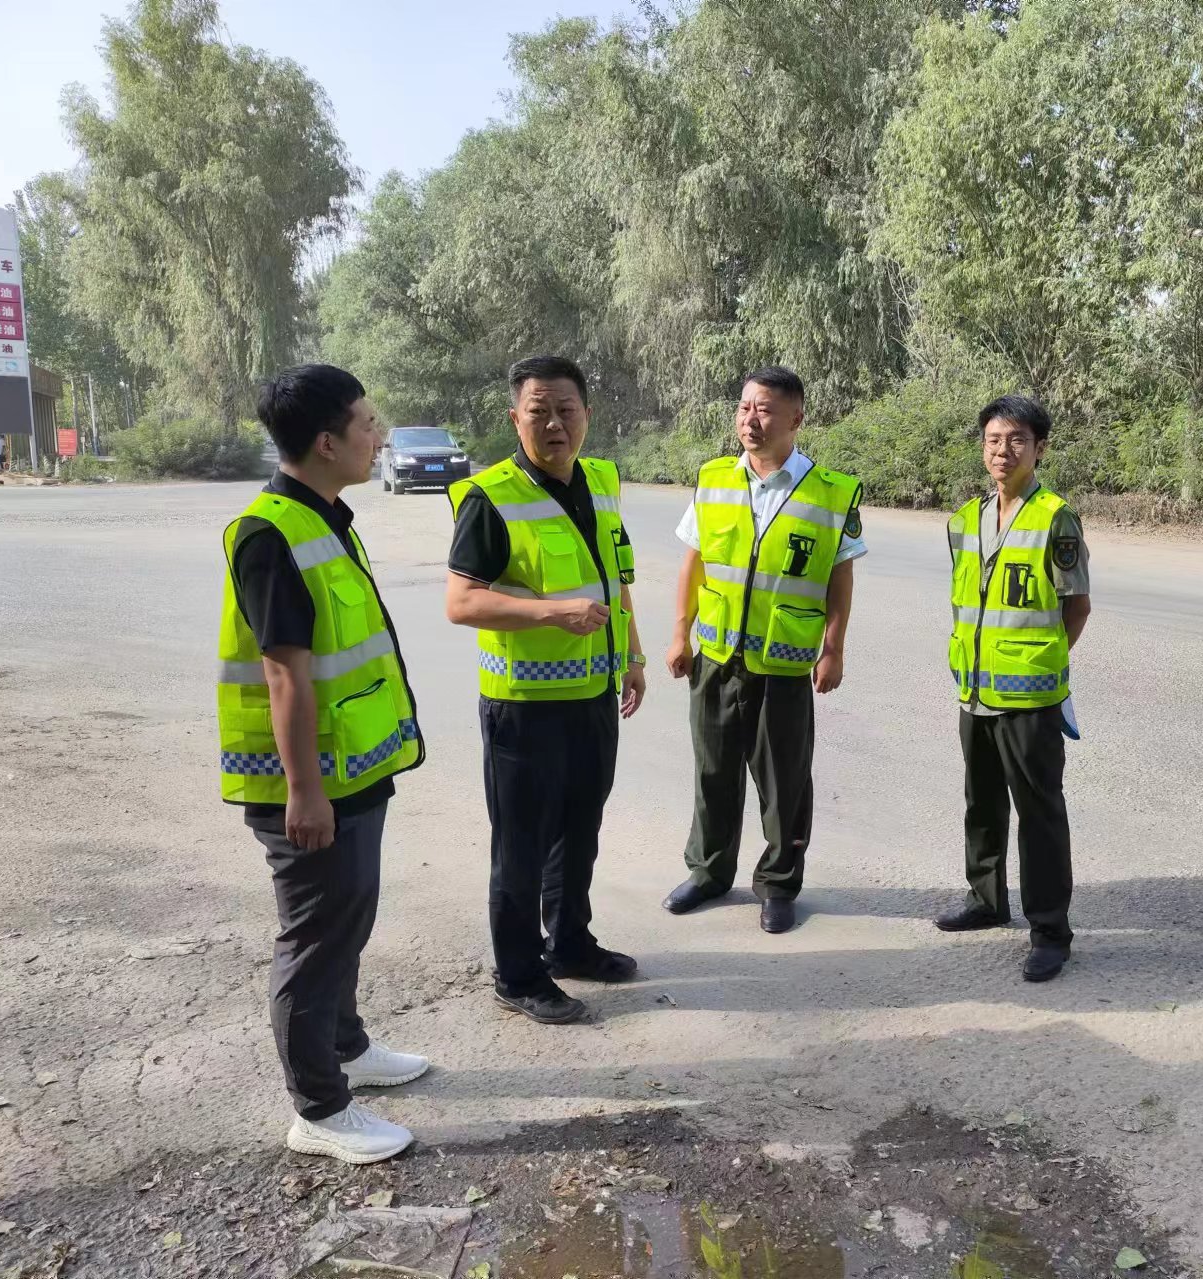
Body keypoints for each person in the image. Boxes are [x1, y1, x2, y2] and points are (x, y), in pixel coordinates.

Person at [219, 364, 429, 1164]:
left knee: (349, 917)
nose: (379, 436)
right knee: (314, 938)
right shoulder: (271, 533)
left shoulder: (329, 515)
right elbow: (284, 673)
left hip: (355, 768)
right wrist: (304, 791)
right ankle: (319, 1107)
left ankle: (347, 1044)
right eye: (368, 423)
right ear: (326, 440)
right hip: (306, 786)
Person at [445, 355, 648, 1026]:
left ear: (587, 415)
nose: (554, 424)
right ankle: (518, 973)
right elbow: (462, 602)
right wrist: (549, 612)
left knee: (579, 829)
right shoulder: (490, 496)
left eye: (566, 410)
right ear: (515, 419)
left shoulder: (601, 481)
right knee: (522, 843)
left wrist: (635, 655)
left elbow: (613, 576)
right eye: (539, 411)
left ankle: (570, 942)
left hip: (592, 696)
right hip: (523, 708)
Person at [661, 366, 864, 934]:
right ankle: (708, 872)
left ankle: (778, 884)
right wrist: (681, 633)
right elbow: (693, 561)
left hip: (784, 662)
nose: (752, 419)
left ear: (796, 419)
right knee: (712, 770)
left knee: (784, 780)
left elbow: (839, 576)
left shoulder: (829, 492)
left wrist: (834, 648)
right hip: (717, 655)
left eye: (766, 409)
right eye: (745, 407)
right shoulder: (713, 479)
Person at [935, 395, 1091, 982]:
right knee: (982, 801)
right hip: (973, 690)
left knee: (1040, 812)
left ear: (1040, 448)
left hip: (1029, 696)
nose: (1004, 451)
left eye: (1017, 440)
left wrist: (1042, 658)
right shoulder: (965, 519)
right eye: (994, 440)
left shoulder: (1056, 518)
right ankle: (986, 898)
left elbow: (1077, 605)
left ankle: (1050, 929)